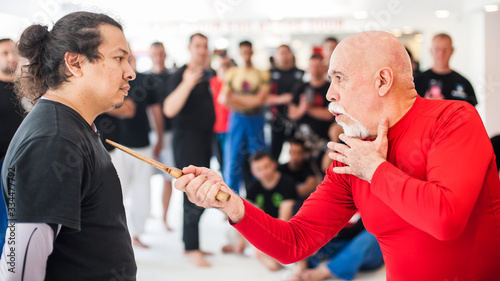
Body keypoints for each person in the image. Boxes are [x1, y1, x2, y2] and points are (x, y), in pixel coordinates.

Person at [174, 31, 500, 281]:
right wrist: (230, 203)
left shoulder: (453, 118)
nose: (330, 93)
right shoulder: (353, 154)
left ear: (382, 81)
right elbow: (293, 242)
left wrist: (374, 168)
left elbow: (446, 219)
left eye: (339, 78)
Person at [0, 12, 137, 280]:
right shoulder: (51, 140)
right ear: (75, 62)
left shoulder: (73, 126)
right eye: (119, 58)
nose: (130, 72)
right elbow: (19, 270)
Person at [163, 33, 215, 267]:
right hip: (187, 139)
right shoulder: (179, 75)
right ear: (190, 48)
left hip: (206, 139)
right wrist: (187, 82)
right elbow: (169, 109)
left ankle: (189, 241)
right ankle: (192, 247)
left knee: (205, 189)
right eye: (198, 46)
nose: (202, 50)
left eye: (205, 46)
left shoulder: (209, 75)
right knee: (193, 190)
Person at [111, 50, 164, 248]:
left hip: (142, 144)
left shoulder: (146, 80)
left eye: (128, 56)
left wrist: (159, 137)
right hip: (117, 146)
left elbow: (155, 110)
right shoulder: (111, 80)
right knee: (118, 192)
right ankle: (117, 234)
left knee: (142, 192)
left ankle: (137, 234)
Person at [222, 40, 270, 195]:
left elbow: (260, 100)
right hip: (237, 119)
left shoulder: (261, 74)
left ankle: (260, 197)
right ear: (239, 53)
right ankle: (229, 199)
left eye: (248, 52)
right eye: (243, 52)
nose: (246, 55)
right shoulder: (232, 73)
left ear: (252, 52)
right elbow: (225, 99)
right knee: (232, 158)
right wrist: (251, 100)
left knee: (260, 158)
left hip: (256, 118)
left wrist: (238, 99)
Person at [288, 215, 383, 281]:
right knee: (309, 227)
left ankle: (325, 272)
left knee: (373, 233)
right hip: (336, 242)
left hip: (366, 248)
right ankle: (300, 268)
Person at [245, 151, 297, 271]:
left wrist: (264, 242)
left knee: (273, 264)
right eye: (258, 169)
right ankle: (247, 249)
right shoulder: (253, 187)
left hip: (281, 229)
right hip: (263, 228)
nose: (263, 172)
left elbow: (285, 220)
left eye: (266, 167)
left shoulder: (287, 183)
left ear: (274, 165)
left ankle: (259, 253)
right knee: (233, 229)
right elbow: (245, 215)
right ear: (253, 172)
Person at [146, 41, 176, 231]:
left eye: (161, 54)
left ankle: (164, 218)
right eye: (155, 54)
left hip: (170, 134)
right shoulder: (144, 79)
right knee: (145, 177)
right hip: (149, 134)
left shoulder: (173, 77)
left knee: (168, 177)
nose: (158, 58)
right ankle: (147, 214)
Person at [289, 54, 334, 166]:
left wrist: (307, 109)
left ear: (324, 68)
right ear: (308, 68)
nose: (315, 69)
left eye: (318, 66)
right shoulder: (300, 87)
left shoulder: (331, 88)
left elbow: (329, 114)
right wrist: (301, 109)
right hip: (302, 139)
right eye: (312, 66)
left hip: (323, 140)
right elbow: (292, 113)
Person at [0, 38, 23, 256]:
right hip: (2, 166)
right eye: (5, 53)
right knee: (5, 221)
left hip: (25, 165)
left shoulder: (26, 87)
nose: (11, 57)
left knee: (21, 220)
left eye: (13, 52)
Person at [414, 33, 477, 106]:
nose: (441, 53)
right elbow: (410, 113)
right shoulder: (417, 81)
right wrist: (426, 105)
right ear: (431, 51)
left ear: (452, 50)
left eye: (445, 49)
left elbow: (470, 114)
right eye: (437, 49)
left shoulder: (464, 83)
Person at [267, 45, 304, 160]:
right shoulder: (268, 74)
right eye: (281, 53)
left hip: (297, 120)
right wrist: (281, 99)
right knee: (274, 154)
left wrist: (299, 109)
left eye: (286, 52)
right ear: (275, 56)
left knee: (298, 154)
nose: (284, 56)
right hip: (275, 120)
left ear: (291, 54)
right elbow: (262, 98)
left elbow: (307, 95)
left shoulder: (301, 73)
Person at [278, 138, 318, 214]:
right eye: (293, 152)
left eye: (299, 153)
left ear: (303, 154)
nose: (295, 156)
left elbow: (312, 186)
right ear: (289, 152)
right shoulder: (280, 169)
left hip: (301, 205)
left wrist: (288, 191)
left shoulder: (308, 167)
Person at [210, 54, 232, 171]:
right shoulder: (211, 83)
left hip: (232, 128)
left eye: (227, 65)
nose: (225, 68)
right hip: (217, 129)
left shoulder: (235, 84)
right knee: (222, 163)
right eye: (222, 65)